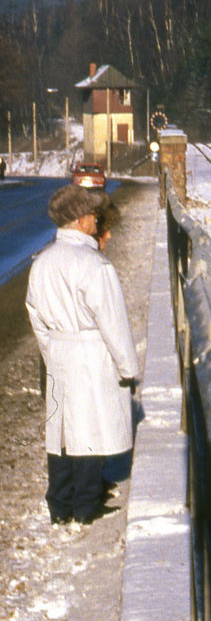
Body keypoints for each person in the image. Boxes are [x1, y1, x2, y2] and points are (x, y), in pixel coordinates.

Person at [26, 185, 140, 525]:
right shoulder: (94, 264)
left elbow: (36, 316)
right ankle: (86, 507)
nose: (96, 219)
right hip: (92, 354)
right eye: (92, 215)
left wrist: (51, 352)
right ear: (79, 221)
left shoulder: (43, 261)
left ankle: (60, 505)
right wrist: (127, 367)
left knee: (61, 434)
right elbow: (113, 322)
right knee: (90, 432)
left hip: (59, 351)